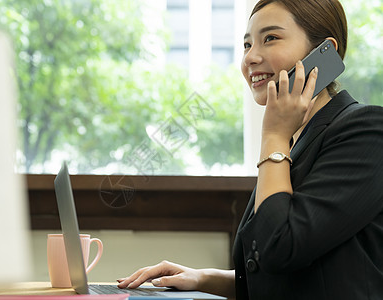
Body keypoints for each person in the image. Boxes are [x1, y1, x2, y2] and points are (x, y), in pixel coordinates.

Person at [116, 0, 383, 299]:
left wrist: (273, 135)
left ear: (324, 52)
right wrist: (202, 277)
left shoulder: (369, 130)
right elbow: (287, 275)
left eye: (270, 38)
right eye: (246, 44)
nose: (250, 58)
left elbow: (279, 248)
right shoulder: (294, 145)